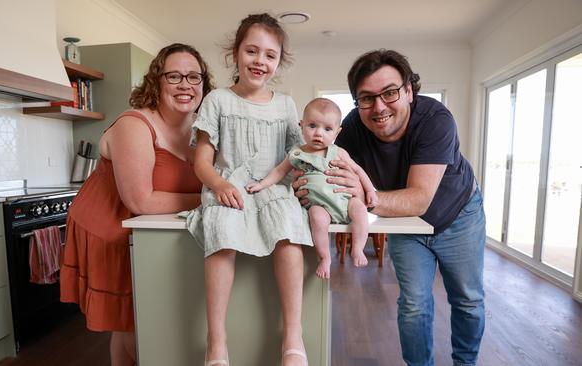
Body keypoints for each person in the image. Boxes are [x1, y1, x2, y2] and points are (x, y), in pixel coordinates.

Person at [306, 49, 486, 366]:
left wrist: (363, 195)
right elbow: (326, 176)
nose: (379, 107)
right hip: (405, 223)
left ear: (409, 90)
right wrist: (307, 186)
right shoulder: (352, 129)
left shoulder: (435, 120)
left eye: (389, 93)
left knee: (468, 300)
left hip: (459, 215)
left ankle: (465, 363)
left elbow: (418, 198)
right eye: (366, 98)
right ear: (357, 102)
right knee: (414, 303)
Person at [59, 43, 214, 366]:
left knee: (140, 318)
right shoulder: (135, 125)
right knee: (135, 323)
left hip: (149, 233)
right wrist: (211, 197)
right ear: (156, 82)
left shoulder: (200, 130)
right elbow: (140, 200)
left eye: (194, 77)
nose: (185, 84)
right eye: (174, 76)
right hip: (111, 229)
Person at [186, 13, 311, 366]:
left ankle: (292, 336)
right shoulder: (217, 101)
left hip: (272, 186)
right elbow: (202, 163)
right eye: (252, 51)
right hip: (228, 186)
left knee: (288, 232)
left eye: (270, 55)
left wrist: (300, 186)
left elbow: (296, 156)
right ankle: (217, 342)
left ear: (278, 61)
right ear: (236, 53)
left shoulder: (286, 104)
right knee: (222, 233)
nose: (260, 61)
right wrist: (220, 184)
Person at [246, 97, 378, 279]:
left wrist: (370, 191)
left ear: (337, 133)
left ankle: (357, 248)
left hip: (345, 201)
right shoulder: (297, 153)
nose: (319, 133)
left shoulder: (339, 152)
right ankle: (324, 257)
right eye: (312, 126)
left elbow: (358, 170)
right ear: (301, 125)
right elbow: (279, 171)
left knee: (361, 211)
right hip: (320, 205)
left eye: (327, 129)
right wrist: (261, 184)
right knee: (316, 218)